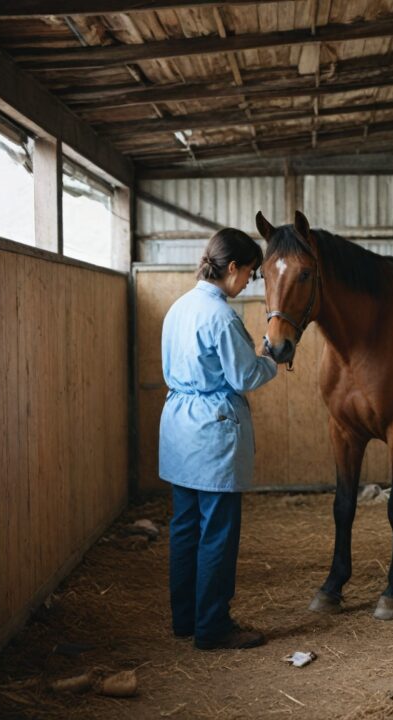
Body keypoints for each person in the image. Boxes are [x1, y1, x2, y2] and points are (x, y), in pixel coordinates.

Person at [159, 228, 278, 651]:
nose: (249, 281)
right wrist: (271, 359)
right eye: (249, 272)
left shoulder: (178, 308)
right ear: (232, 268)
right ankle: (213, 627)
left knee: (185, 527)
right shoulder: (221, 316)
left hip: (178, 427)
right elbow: (244, 375)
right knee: (218, 533)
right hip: (212, 429)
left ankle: (185, 620)